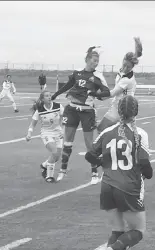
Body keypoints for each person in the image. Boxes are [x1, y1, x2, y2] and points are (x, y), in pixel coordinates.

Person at [85, 95, 153, 250]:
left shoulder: (107, 131)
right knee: (138, 230)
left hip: (107, 185)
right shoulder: (140, 134)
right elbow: (145, 165)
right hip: (129, 187)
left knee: (117, 229)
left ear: (119, 111)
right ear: (136, 111)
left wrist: (104, 164)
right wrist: (148, 173)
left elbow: (90, 155)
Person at [51, 46, 110, 184]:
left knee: (89, 144)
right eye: (94, 60)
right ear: (88, 59)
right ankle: (62, 170)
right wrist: (56, 94)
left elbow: (106, 92)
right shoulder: (77, 73)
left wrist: (94, 94)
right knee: (67, 141)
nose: (96, 63)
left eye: (97, 61)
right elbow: (68, 85)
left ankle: (94, 173)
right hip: (72, 109)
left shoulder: (98, 76)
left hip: (87, 111)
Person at [97, 37, 143, 133]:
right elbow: (135, 56)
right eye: (124, 64)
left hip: (124, 108)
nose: (125, 68)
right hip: (118, 105)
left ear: (132, 67)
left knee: (102, 128)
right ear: (122, 60)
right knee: (115, 132)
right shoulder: (122, 71)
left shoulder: (127, 79)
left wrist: (97, 96)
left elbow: (113, 93)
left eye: (129, 67)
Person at [26, 90, 64, 183]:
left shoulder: (58, 106)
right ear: (42, 99)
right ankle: (49, 177)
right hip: (46, 133)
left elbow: (64, 118)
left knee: (57, 157)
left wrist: (62, 129)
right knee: (54, 152)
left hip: (58, 133)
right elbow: (33, 124)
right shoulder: (39, 110)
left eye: (50, 95)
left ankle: (44, 165)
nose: (49, 97)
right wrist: (29, 133)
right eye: (47, 96)